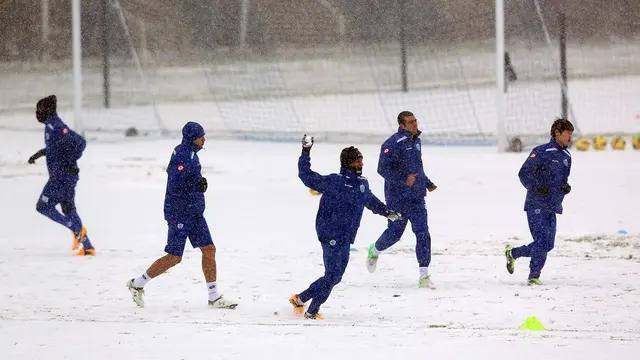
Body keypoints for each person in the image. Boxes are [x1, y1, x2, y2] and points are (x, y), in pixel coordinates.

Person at [126, 121, 237, 309]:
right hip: (180, 214)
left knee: (209, 249)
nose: (204, 139)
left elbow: (190, 180)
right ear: (193, 137)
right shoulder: (183, 155)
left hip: (194, 213)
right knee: (174, 257)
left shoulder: (192, 154)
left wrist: (199, 183)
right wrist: (196, 185)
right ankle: (137, 284)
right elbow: (176, 185)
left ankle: (213, 296)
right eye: (201, 135)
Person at [289, 134, 401, 319]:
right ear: (349, 163)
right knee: (333, 275)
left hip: (346, 237)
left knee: (335, 276)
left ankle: (300, 300)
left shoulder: (362, 184)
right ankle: (311, 311)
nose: (362, 165)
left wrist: (388, 212)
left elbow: (372, 202)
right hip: (329, 234)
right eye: (358, 162)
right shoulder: (334, 182)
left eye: (362, 161)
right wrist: (305, 151)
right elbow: (305, 175)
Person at [366, 110, 437, 289]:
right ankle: (375, 250)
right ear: (402, 125)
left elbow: (416, 168)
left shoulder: (417, 141)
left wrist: (426, 182)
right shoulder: (392, 144)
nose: (415, 124)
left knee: (423, 233)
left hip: (417, 198)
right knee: (395, 234)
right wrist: (404, 179)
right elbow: (382, 169)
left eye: (415, 120)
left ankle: (424, 275)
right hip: (397, 198)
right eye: (410, 122)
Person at [505, 118, 574, 285]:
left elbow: (562, 179)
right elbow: (524, 173)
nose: (570, 138)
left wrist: (565, 187)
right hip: (536, 204)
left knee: (547, 245)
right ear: (557, 133)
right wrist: (537, 187)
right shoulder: (541, 151)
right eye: (567, 134)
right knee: (542, 242)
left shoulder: (566, 156)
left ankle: (513, 254)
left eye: (571, 134)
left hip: (553, 206)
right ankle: (533, 276)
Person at [27, 95, 95, 255]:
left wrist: (70, 160)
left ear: (48, 110)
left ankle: (76, 230)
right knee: (68, 209)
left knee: (43, 206)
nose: (37, 113)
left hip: (61, 178)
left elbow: (80, 142)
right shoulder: (50, 126)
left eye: (40, 109)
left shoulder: (55, 126)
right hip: (64, 177)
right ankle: (88, 248)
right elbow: (57, 148)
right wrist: (40, 154)